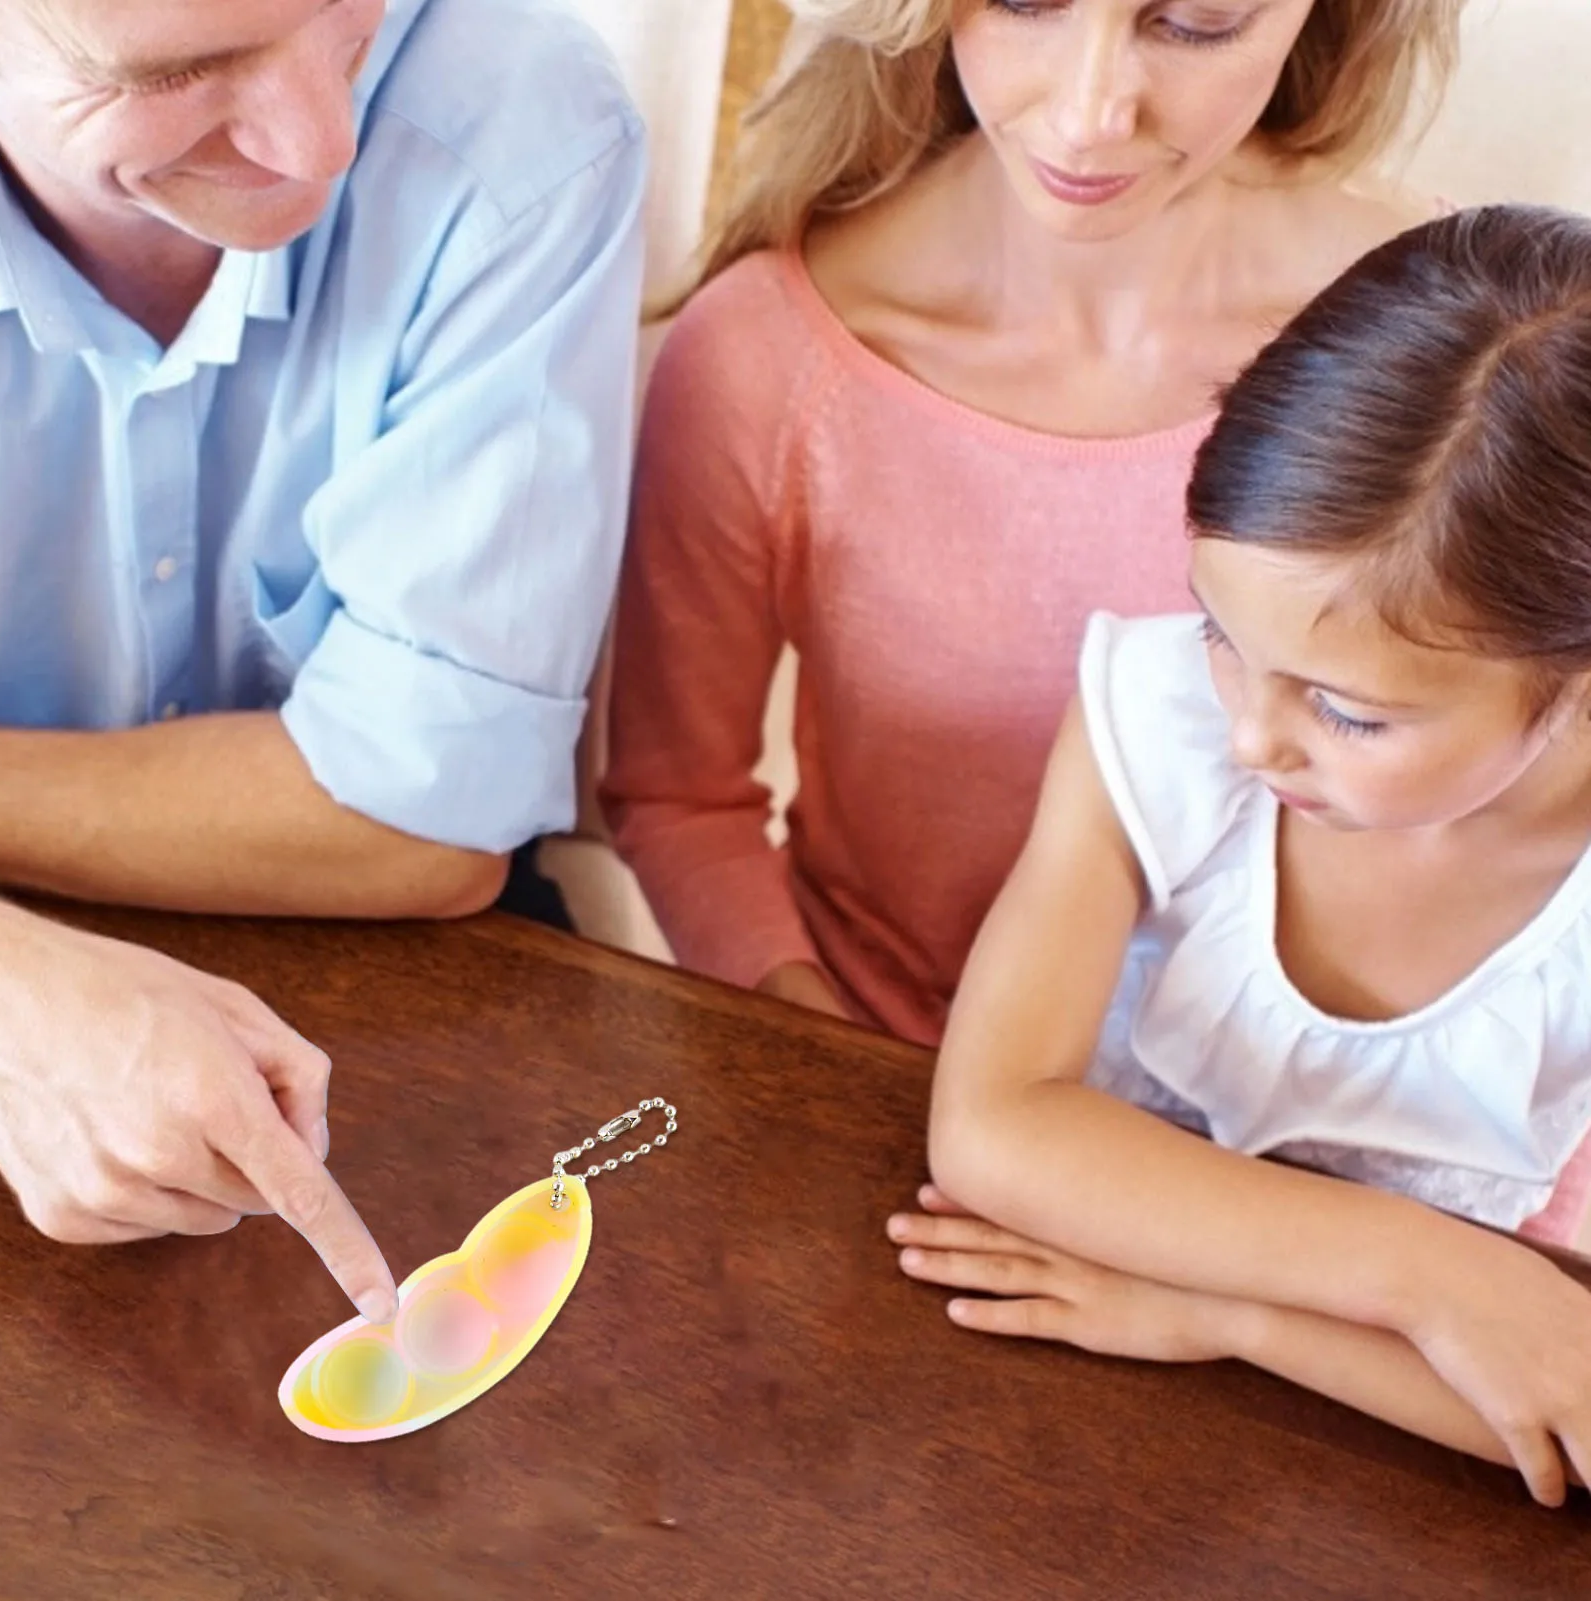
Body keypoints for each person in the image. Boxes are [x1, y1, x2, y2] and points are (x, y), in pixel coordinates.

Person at [896, 205, 1591, 1507]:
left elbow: (1559, 1386)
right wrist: (1439, 1278)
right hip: (1031, 1429)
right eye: (1220, 630)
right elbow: (991, 1129)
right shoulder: (1156, 718)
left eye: (1347, 712)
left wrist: (1229, 1313)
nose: (1250, 736)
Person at [601, 0, 1460, 1045]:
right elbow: (681, 801)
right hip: (885, 1072)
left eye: (1195, 22)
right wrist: (827, 1063)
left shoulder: (1465, 358)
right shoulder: (768, 356)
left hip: (1303, 1112)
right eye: (1022, 0)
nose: (1089, 115)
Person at [0, 0, 645, 1324]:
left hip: (404, 984)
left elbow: (422, 827)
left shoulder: (523, 117)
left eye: (351, 20)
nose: (324, 145)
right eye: (181, 72)